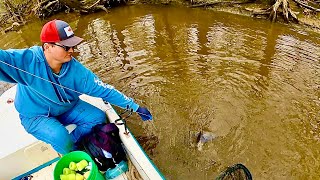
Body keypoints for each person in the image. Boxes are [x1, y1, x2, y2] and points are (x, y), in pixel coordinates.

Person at [0, 19, 153, 155]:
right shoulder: (28, 60)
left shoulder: (77, 71)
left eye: (72, 45)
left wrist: (135, 107)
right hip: (35, 115)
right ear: (47, 47)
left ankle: (77, 146)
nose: (72, 51)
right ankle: (71, 152)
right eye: (66, 47)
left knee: (98, 118)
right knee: (59, 136)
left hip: (66, 108)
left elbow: (104, 89)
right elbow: (3, 58)